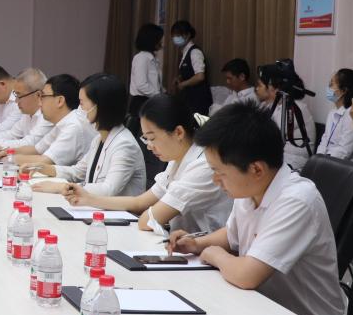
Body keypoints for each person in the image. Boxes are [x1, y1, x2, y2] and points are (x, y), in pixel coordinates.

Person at [169, 103, 345, 315]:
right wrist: (196, 243)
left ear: (256, 170)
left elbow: (246, 275)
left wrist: (213, 254)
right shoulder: (249, 189)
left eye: (220, 172)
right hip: (263, 311)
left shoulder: (297, 201)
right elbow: (232, 235)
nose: (215, 180)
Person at [69, 94, 232, 234]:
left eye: (152, 138)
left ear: (178, 132)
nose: (149, 146)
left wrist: (148, 214)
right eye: (146, 139)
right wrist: (88, 199)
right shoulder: (177, 158)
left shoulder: (203, 164)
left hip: (206, 252)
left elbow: (148, 220)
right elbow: (139, 202)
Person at [33, 73, 145, 198]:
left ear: (100, 105)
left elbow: (108, 190)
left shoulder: (124, 144)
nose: (79, 109)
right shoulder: (99, 139)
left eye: (82, 103)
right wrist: (41, 167)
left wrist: (61, 187)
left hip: (113, 210)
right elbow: (78, 171)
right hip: (93, 206)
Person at [12, 74, 97, 170]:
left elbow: (44, 161)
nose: (39, 103)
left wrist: (9, 158)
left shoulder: (74, 126)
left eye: (42, 96)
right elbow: (36, 149)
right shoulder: (63, 122)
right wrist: (6, 152)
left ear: (60, 101)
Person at [255, 60, 315, 171]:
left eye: (260, 85)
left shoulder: (295, 108)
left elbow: (269, 137)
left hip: (293, 162)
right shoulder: (268, 105)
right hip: (277, 158)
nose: (256, 89)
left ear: (273, 87)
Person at [0, 68, 50, 154]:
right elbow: (11, 134)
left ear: (38, 95)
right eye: (16, 95)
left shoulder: (48, 116)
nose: (16, 101)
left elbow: (29, 144)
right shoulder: (27, 114)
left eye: (19, 95)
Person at [317, 69, 353, 160]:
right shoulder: (332, 112)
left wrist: (323, 161)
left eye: (331, 84)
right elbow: (324, 140)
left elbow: (344, 151)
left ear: (344, 90)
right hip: (327, 160)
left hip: (344, 164)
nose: (328, 88)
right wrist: (317, 158)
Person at [167, 20, 211, 116]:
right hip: (189, 98)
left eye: (179, 35)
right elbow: (189, 71)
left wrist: (183, 84)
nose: (175, 38)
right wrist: (179, 77)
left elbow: (200, 76)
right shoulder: (185, 52)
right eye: (174, 35)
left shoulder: (195, 52)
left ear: (188, 35)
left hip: (198, 99)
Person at [128, 23, 163, 115]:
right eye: (159, 39)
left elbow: (155, 82)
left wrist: (163, 92)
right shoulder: (142, 58)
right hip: (141, 102)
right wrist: (158, 95)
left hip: (151, 100)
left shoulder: (153, 58)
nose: (161, 42)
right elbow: (141, 85)